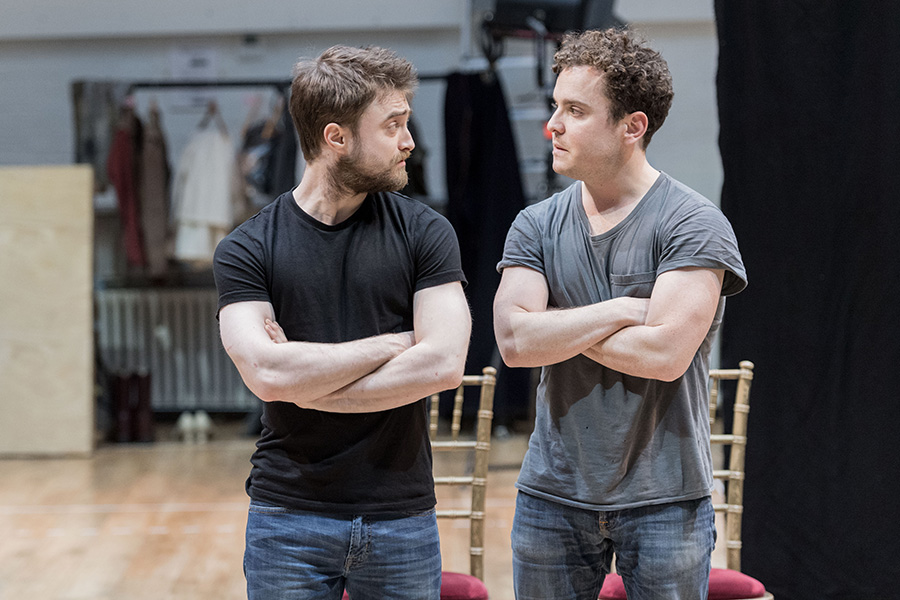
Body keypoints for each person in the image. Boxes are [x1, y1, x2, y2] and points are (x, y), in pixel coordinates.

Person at [493, 28, 747, 600]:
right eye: (556, 106)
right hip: (551, 494)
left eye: (575, 111)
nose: (552, 125)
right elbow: (513, 343)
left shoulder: (693, 222)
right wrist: (621, 311)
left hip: (666, 499)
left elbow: (663, 355)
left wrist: (555, 323)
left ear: (632, 126)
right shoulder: (535, 223)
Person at [214, 45, 471, 600]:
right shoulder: (246, 248)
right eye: (394, 125)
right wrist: (397, 342)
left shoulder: (427, 232)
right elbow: (265, 373)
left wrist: (307, 382)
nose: (409, 141)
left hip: (400, 515)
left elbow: (445, 363)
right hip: (287, 516)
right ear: (337, 138)